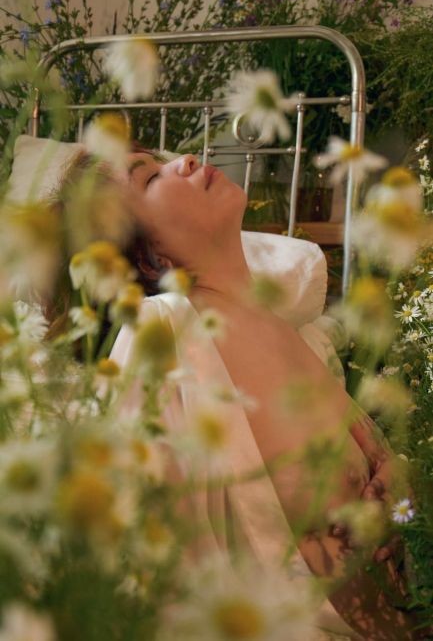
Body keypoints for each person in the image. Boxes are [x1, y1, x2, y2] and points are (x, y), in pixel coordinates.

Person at [55, 150, 420, 639]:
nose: (185, 159)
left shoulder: (287, 328)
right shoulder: (165, 330)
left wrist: (397, 478)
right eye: (151, 178)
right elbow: (152, 538)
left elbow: (368, 465)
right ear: (148, 256)